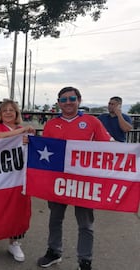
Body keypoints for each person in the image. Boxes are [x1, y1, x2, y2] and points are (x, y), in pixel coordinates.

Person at [37, 87, 111, 270]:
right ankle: (54, 251)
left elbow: (109, 147)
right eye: (64, 99)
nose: (68, 102)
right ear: (58, 103)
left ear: (79, 100)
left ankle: (85, 260)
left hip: (84, 182)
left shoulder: (92, 122)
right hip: (58, 181)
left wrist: (132, 152)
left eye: (71, 98)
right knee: (55, 219)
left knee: (85, 223)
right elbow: (42, 150)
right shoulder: (51, 124)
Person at [0, 100, 35, 262]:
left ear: (16, 113)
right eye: (4, 110)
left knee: (17, 210)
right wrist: (21, 134)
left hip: (18, 177)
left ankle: (14, 242)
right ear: (0, 114)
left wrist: (28, 138)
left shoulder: (22, 130)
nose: (8, 113)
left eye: (11, 110)